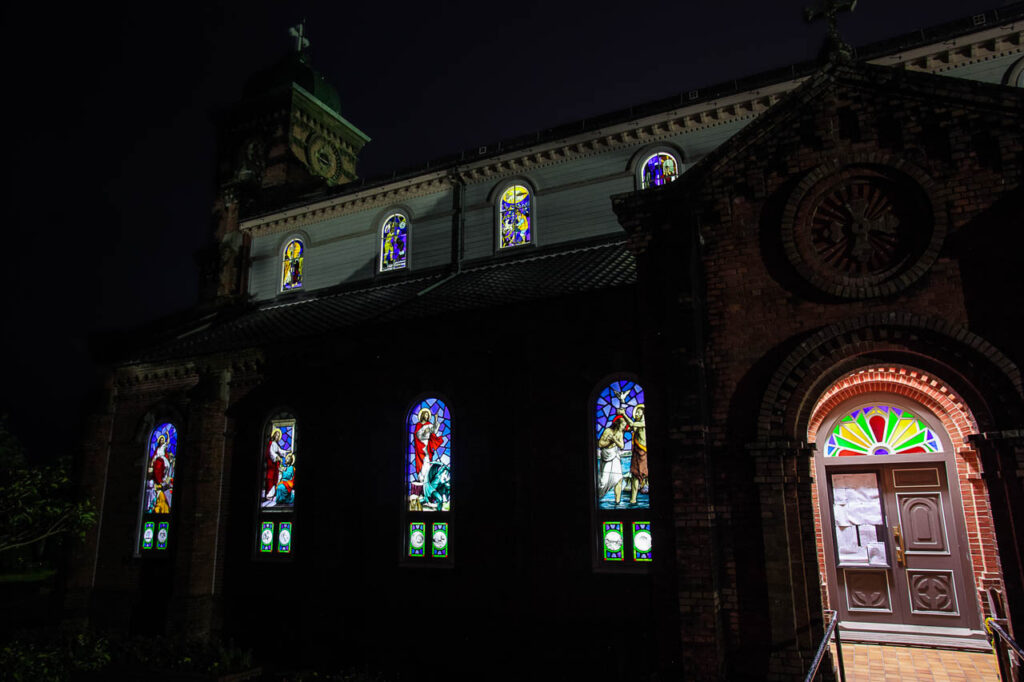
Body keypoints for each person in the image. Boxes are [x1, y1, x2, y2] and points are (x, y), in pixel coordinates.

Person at [597, 415, 630, 505]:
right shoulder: (608, 431)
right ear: (618, 424)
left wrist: (614, 440)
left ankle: (617, 502)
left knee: (619, 479)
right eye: (623, 425)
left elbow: (622, 446)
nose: (624, 427)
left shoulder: (620, 433)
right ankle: (598, 496)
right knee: (603, 482)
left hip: (615, 456)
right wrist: (609, 441)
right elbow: (600, 444)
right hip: (606, 456)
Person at [621, 404, 648, 504]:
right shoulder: (637, 424)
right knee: (634, 476)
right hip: (636, 454)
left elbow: (632, 424)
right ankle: (633, 499)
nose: (636, 413)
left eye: (638, 412)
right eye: (636, 412)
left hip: (643, 453)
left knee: (643, 474)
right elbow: (629, 427)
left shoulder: (643, 423)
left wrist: (624, 414)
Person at [413, 408, 444, 478]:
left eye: (428, 415)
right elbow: (417, 435)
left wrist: (435, 420)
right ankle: (421, 477)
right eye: (426, 415)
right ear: (423, 415)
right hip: (420, 446)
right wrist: (424, 432)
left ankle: (426, 476)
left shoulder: (429, 424)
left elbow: (434, 431)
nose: (427, 416)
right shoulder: (418, 425)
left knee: (427, 459)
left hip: (427, 445)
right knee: (421, 461)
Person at [264, 429, 290, 504]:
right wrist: (276, 457)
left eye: (278, 435)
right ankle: (268, 495)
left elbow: (280, 451)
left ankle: (272, 494)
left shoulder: (275, 444)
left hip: (275, 464)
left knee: (275, 478)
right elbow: (271, 452)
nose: (277, 436)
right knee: (270, 478)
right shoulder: (271, 443)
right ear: (273, 435)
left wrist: (286, 452)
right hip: (271, 463)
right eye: (276, 435)